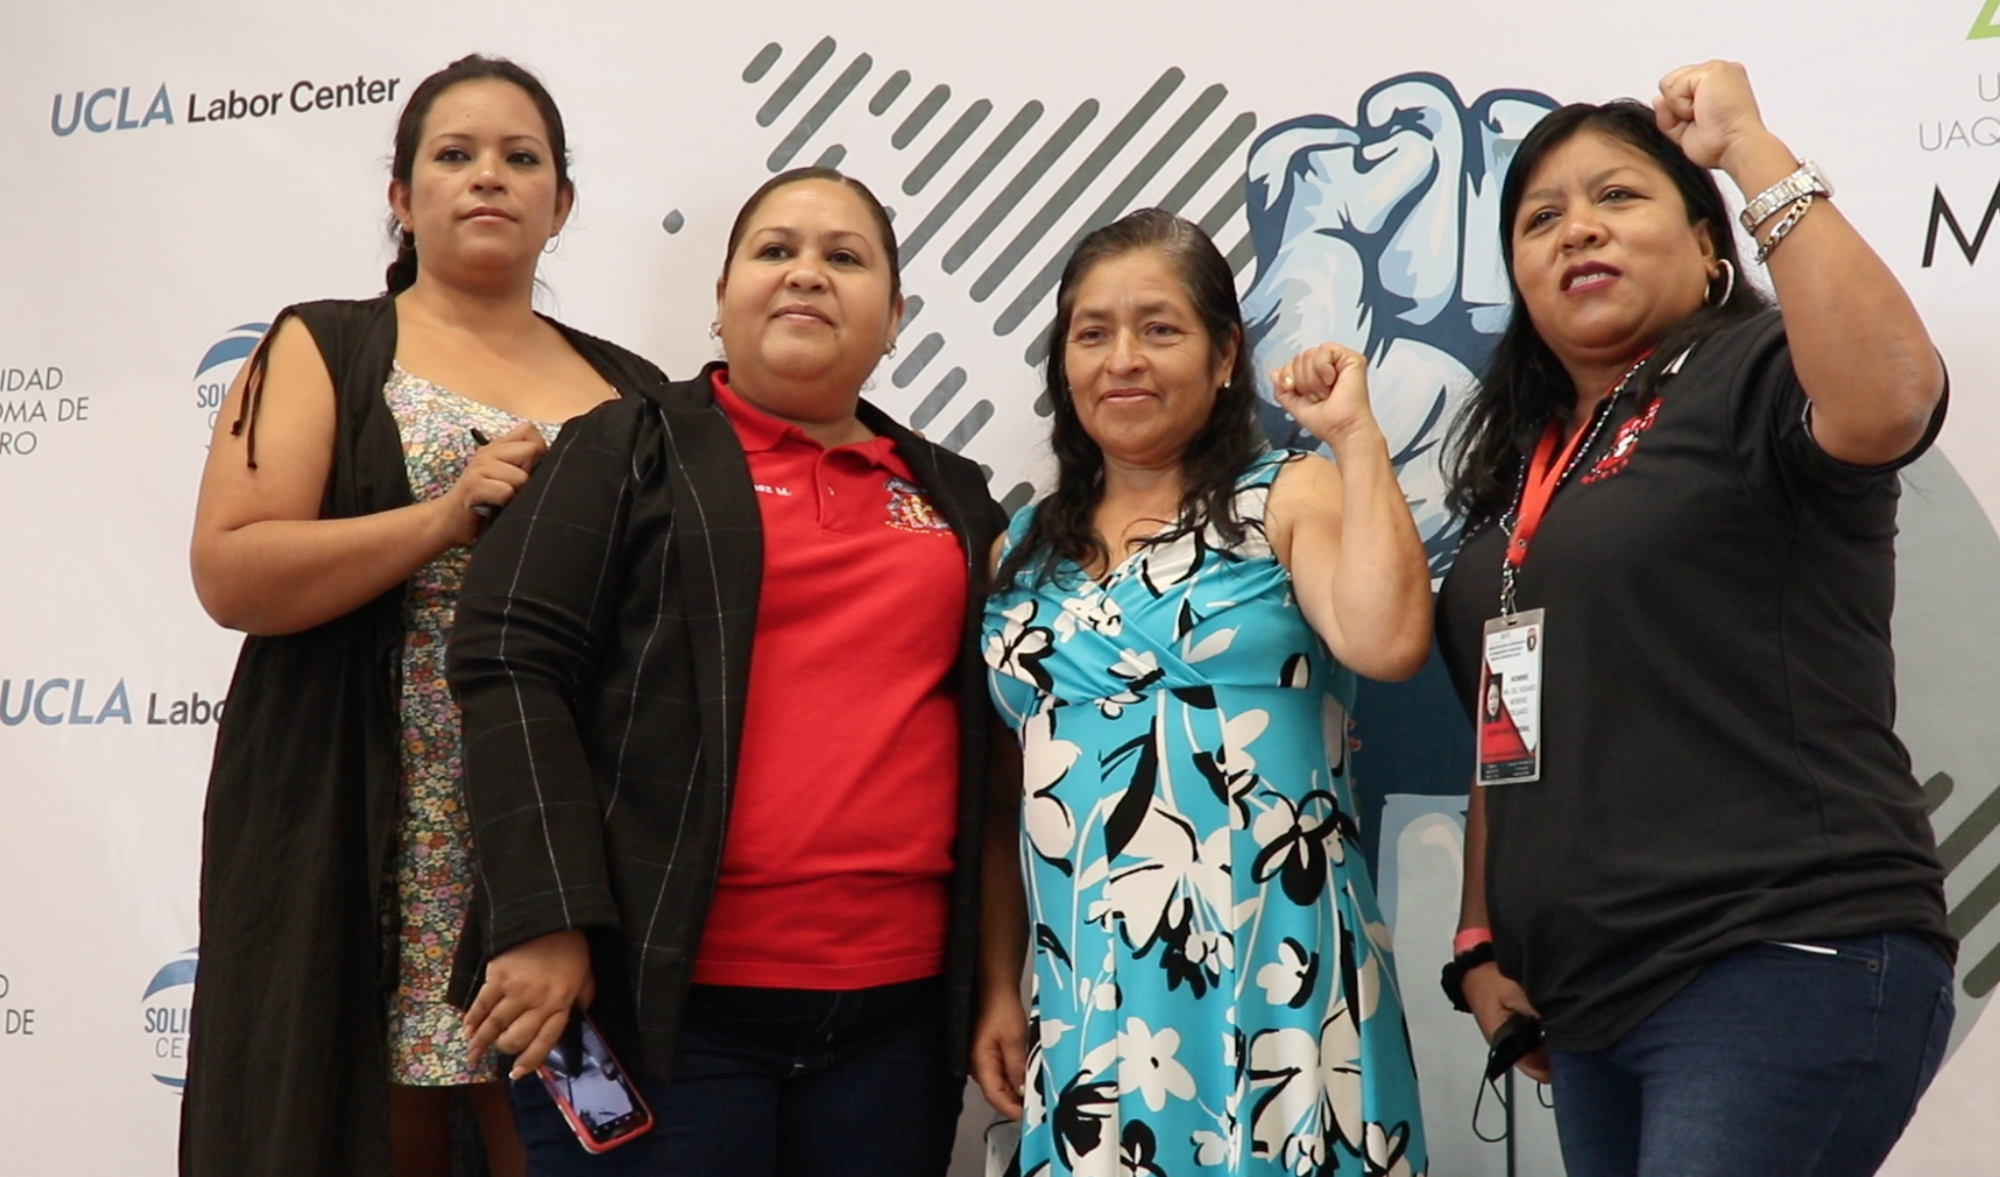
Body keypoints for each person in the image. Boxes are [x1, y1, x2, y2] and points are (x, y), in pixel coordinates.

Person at [1433, 61, 1955, 1176]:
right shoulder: (1527, 476)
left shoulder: (1754, 369)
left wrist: (1748, 151)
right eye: (1540, 218)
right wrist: (1479, 933)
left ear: (1709, 247)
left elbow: (1889, 399)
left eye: (1616, 197)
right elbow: (1507, 720)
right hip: (1588, 1002)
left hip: (1774, 951)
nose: (1576, 229)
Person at [445, 166, 1008, 1177]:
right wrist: (547, 916)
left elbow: (998, 754)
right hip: (656, 1005)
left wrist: (996, 981)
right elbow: (506, 661)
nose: (806, 275)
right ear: (719, 297)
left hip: (896, 1019)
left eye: (844, 258)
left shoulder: (956, 498)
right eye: (774, 250)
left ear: (895, 317)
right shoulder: (623, 447)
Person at [182, 55, 663, 1177]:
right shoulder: (328, 344)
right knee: (353, 1117)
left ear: (563, 203)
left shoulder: (637, 390)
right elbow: (232, 571)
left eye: (519, 158)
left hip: (558, 830)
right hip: (365, 802)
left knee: (567, 1132)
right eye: (453, 156)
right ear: (401, 197)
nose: (486, 178)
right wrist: (442, 516)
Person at [976, 209, 1434, 1176]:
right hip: (1088, 993)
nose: (1122, 358)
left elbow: (1389, 641)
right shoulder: (1019, 550)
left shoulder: (1289, 495)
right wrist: (996, 987)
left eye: (1160, 327)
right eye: (1091, 332)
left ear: (1225, 353)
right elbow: (999, 792)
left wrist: (1355, 436)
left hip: (1280, 972)